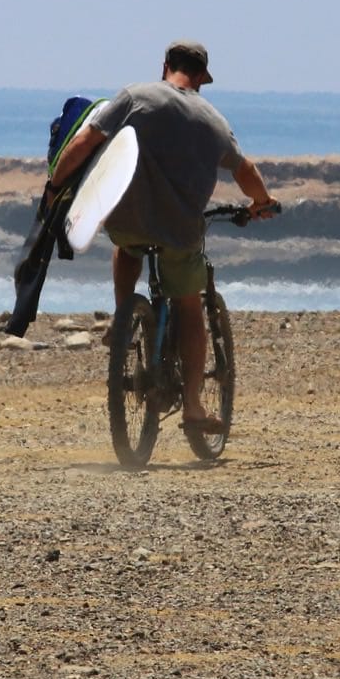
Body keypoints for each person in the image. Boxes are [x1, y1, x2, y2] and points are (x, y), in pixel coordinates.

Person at [47, 40, 277, 430]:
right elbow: (245, 170)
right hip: (181, 230)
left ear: (165, 64)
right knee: (188, 305)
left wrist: (55, 188)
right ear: (202, 77)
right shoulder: (214, 120)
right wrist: (262, 202)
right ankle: (192, 405)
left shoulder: (136, 97)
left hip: (128, 219)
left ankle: (124, 320)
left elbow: (85, 141)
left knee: (125, 249)